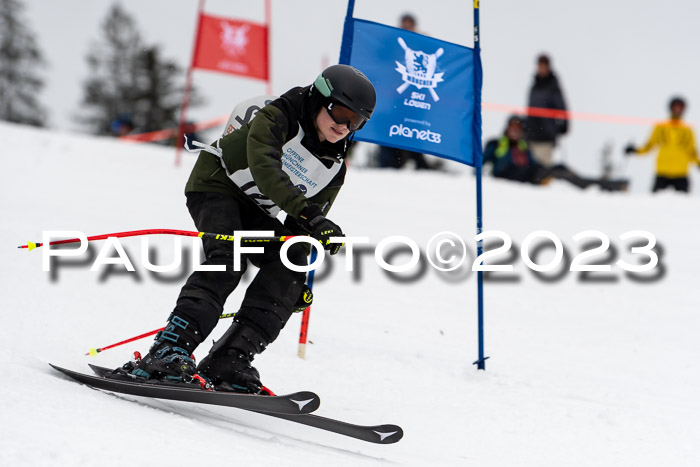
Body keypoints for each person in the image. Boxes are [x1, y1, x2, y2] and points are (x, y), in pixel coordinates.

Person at [112, 65, 377, 393]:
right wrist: (311, 215)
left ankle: (230, 359)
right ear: (318, 99)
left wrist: (289, 287)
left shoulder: (334, 168)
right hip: (217, 186)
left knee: (290, 263)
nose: (344, 126)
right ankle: (168, 349)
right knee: (228, 259)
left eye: (356, 121)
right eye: (340, 112)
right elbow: (266, 169)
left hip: (256, 210)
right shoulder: (279, 115)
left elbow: (301, 229)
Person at [625, 96, 699, 193]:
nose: (677, 110)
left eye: (680, 107)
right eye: (675, 107)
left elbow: (692, 152)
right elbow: (648, 146)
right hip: (662, 172)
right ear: (670, 108)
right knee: (655, 204)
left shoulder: (688, 130)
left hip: (681, 173)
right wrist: (634, 150)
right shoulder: (660, 127)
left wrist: (698, 163)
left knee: (683, 205)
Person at [525, 54, 568, 167]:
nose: (541, 68)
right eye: (540, 65)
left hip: (545, 137)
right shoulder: (534, 86)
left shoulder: (553, 87)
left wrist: (562, 126)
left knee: (543, 170)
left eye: (544, 65)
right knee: (530, 169)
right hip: (531, 135)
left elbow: (562, 108)